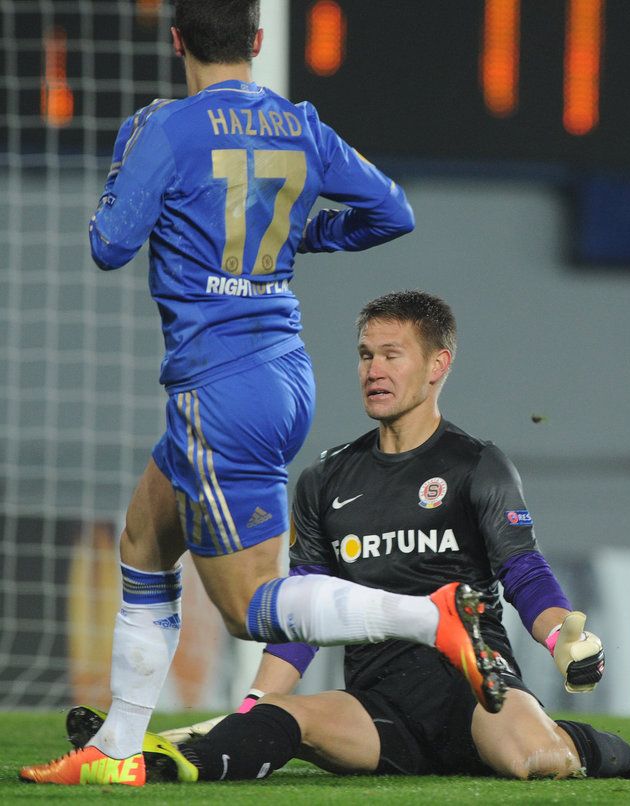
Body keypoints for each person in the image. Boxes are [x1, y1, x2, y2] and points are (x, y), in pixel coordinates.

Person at [21, 2, 503, 787]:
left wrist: (128, 153)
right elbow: (392, 211)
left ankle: (433, 616)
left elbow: (109, 245)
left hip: (218, 386)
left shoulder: (167, 130)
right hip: (280, 369)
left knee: (248, 611)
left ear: (176, 40)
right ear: (259, 41)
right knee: (145, 540)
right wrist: (305, 234)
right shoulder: (300, 125)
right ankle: (113, 750)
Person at [63, 290, 630, 784]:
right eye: (366, 354)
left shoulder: (475, 465)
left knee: (533, 761)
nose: (373, 369)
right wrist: (255, 704)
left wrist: (565, 639)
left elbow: (522, 572)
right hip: (375, 705)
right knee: (283, 721)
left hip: (473, 688)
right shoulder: (324, 480)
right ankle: (166, 764)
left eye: (392, 355)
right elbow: (302, 609)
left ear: (438, 366)